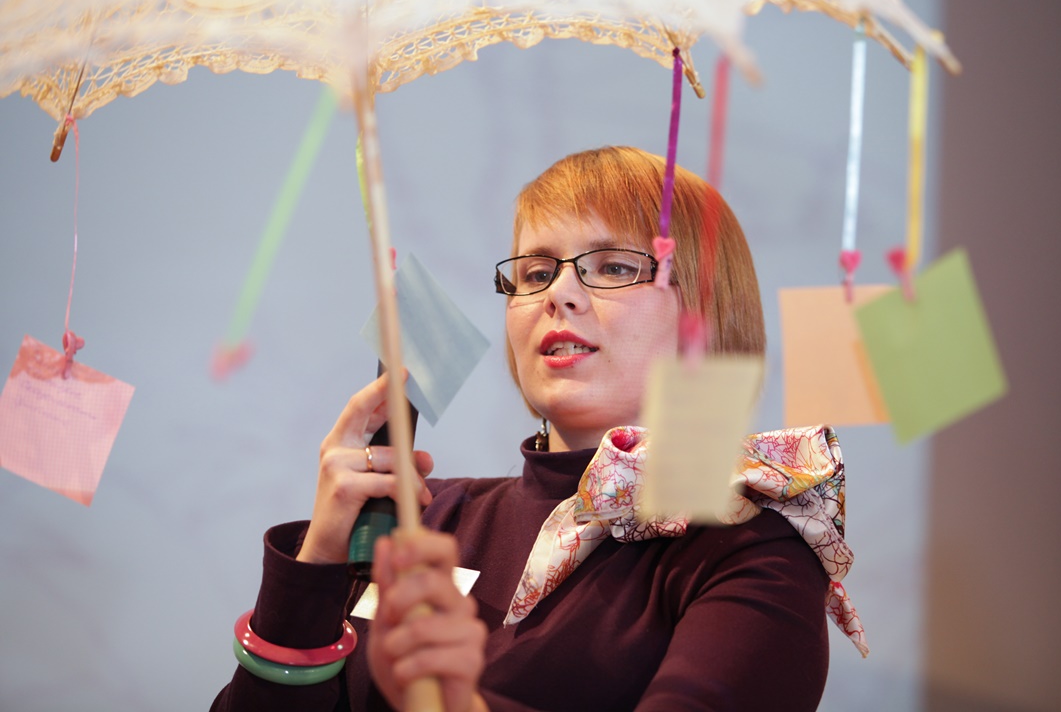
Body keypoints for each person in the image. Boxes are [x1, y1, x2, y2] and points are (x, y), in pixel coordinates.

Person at [211, 146, 861, 712]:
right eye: (536, 273)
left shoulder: (751, 549)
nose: (559, 294)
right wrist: (318, 564)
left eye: (613, 267)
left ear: (706, 318)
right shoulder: (427, 519)